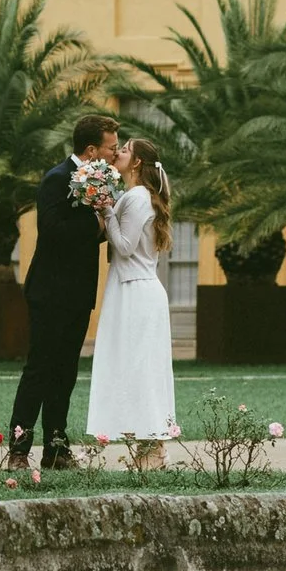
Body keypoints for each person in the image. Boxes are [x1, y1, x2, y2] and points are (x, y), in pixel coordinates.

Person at [11, 113, 120, 468]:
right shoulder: (56, 180)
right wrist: (98, 220)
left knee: (66, 373)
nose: (114, 154)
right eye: (110, 148)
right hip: (49, 291)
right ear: (91, 150)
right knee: (40, 370)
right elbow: (54, 230)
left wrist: (104, 217)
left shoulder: (102, 183)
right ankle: (18, 449)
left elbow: (92, 233)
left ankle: (56, 449)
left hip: (79, 292)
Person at [82, 135, 178, 458]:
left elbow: (123, 246)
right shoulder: (135, 195)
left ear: (136, 162)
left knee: (140, 367)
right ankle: (148, 445)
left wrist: (107, 209)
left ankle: (152, 447)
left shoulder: (137, 197)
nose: (118, 153)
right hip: (130, 287)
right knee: (135, 367)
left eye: (124, 150)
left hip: (136, 291)